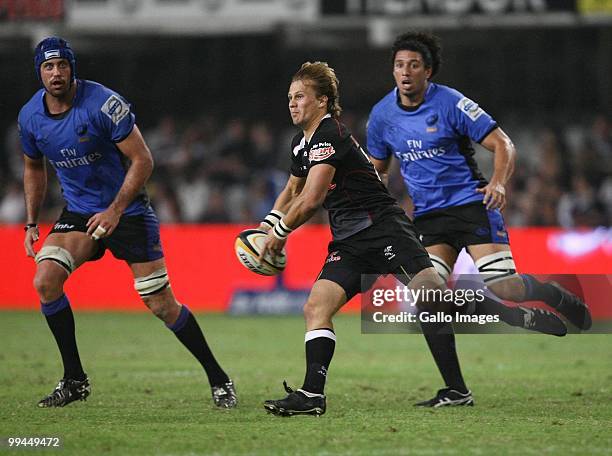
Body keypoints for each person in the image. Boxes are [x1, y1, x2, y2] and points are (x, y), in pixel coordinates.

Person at [19, 37, 236, 408]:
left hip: (129, 212)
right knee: (46, 280)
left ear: (73, 68)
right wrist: (31, 222)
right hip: (79, 213)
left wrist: (116, 210)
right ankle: (74, 380)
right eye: (48, 67)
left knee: (162, 304)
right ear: (39, 72)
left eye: (62, 65)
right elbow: (33, 167)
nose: (56, 73)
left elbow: (144, 160)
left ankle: (219, 379)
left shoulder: (103, 103)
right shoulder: (30, 117)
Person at [257, 61, 476, 416]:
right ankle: (312, 395)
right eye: (289, 97)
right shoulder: (302, 144)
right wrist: (266, 225)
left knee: (430, 298)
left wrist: (280, 233)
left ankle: (457, 388)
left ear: (323, 102)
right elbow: (291, 189)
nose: (292, 103)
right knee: (316, 308)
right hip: (349, 242)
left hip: (383, 228)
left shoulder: (331, 134)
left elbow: (311, 199)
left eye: (300, 96)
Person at [366, 31, 591, 333]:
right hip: (429, 216)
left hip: (471, 206)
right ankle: (516, 317)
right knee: (427, 297)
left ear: (428, 70)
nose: (405, 72)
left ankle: (552, 295)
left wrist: (498, 183)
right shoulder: (381, 116)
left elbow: (503, 144)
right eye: (399, 64)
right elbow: (378, 169)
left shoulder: (450, 103)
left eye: (414, 65)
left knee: (506, 287)